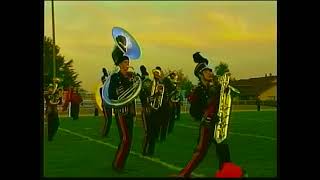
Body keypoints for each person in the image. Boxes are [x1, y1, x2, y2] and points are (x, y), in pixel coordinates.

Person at [177, 52, 244, 177]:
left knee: (223, 149)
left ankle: (226, 173)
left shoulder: (214, 89)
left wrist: (226, 91)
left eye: (210, 71)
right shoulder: (197, 91)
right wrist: (205, 115)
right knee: (200, 152)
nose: (210, 73)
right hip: (207, 126)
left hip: (216, 123)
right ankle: (183, 174)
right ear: (200, 74)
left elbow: (222, 100)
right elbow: (193, 112)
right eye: (207, 71)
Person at [108, 45, 136, 171]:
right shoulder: (115, 77)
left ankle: (120, 164)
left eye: (128, 62)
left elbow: (136, 92)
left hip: (130, 111)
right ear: (119, 64)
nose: (127, 64)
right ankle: (117, 165)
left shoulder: (131, 77)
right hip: (121, 112)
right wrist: (121, 93)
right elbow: (111, 94)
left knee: (129, 141)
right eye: (125, 62)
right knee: (125, 139)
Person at [139, 65, 156, 156]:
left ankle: (148, 150)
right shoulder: (145, 85)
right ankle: (147, 150)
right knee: (149, 131)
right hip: (148, 109)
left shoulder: (145, 83)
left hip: (150, 109)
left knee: (150, 131)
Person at [151, 67, 171, 142]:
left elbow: (172, 90)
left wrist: (165, 92)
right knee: (156, 123)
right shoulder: (152, 82)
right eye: (155, 73)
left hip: (165, 104)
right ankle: (156, 136)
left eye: (158, 73)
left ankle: (162, 138)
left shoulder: (165, 81)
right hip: (155, 106)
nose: (156, 74)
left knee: (165, 123)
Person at [100, 68, 113, 137]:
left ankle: (104, 132)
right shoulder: (102, 88)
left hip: (108, 104)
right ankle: (104, 133)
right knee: (108, 120)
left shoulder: (107, 87)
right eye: (104, 80)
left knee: (109, 120)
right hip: (105, 104)